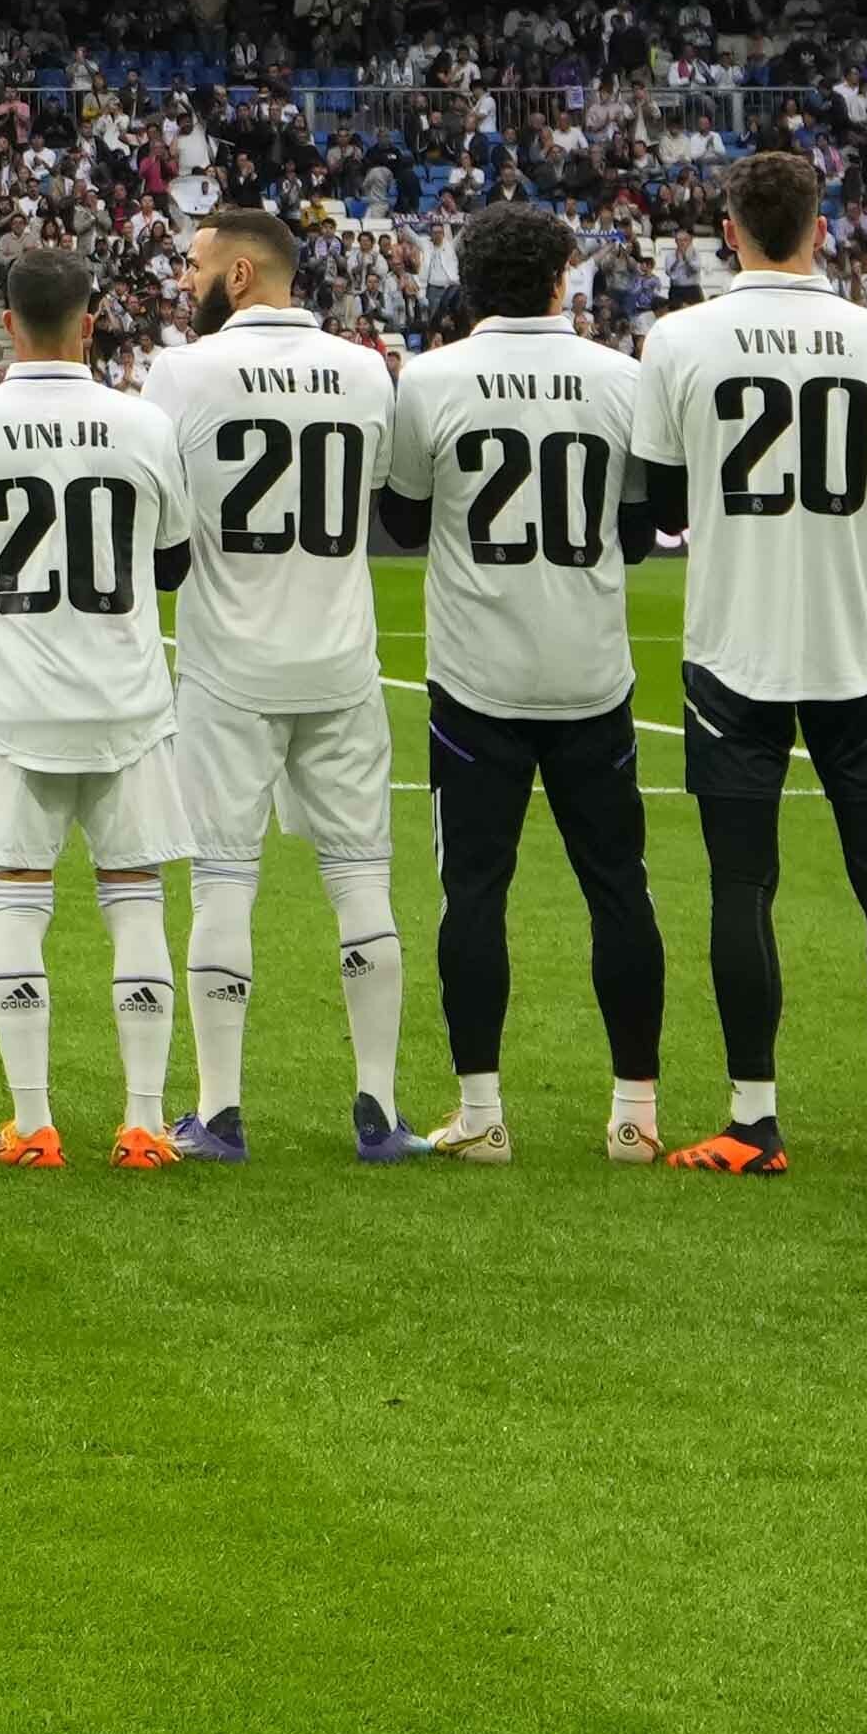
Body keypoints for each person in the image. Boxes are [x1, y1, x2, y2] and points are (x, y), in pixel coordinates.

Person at [630, 150, 867, 1177]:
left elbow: (665, 507)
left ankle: (754, 1117)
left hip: (737, 646)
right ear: (822, 224)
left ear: (729, 228)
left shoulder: (679, 337)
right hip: (855, 644)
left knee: (741, 883)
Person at [379, 204, 671, 1165]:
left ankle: (482, 1113)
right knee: (618, 890)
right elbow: (638, 530)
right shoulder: (621, 378)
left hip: (476, 680)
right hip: (589, 673)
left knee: (473, 894)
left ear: (468, 282)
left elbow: (408, 519)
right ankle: (635, 1115)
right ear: (563, 278)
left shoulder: (428, 379)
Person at [138, 206, 420, 1165]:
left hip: (230, 663)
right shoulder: (364, 369)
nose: (184, 278)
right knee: (360, 878)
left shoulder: (180, 372)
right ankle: (377, 1109)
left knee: (222, 878)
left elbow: (162, 517)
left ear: (242, 276)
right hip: (340, 657)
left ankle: (219, 1112)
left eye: (196, 263)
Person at [0, 247, 192, 1170]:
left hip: (13, 703)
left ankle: (35, 1123)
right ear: (91, 320)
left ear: (6, 324)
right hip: (124, 699)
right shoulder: (143, 424)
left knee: (16, 906)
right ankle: (144, 1121)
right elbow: (171, 564)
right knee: (134, 907)